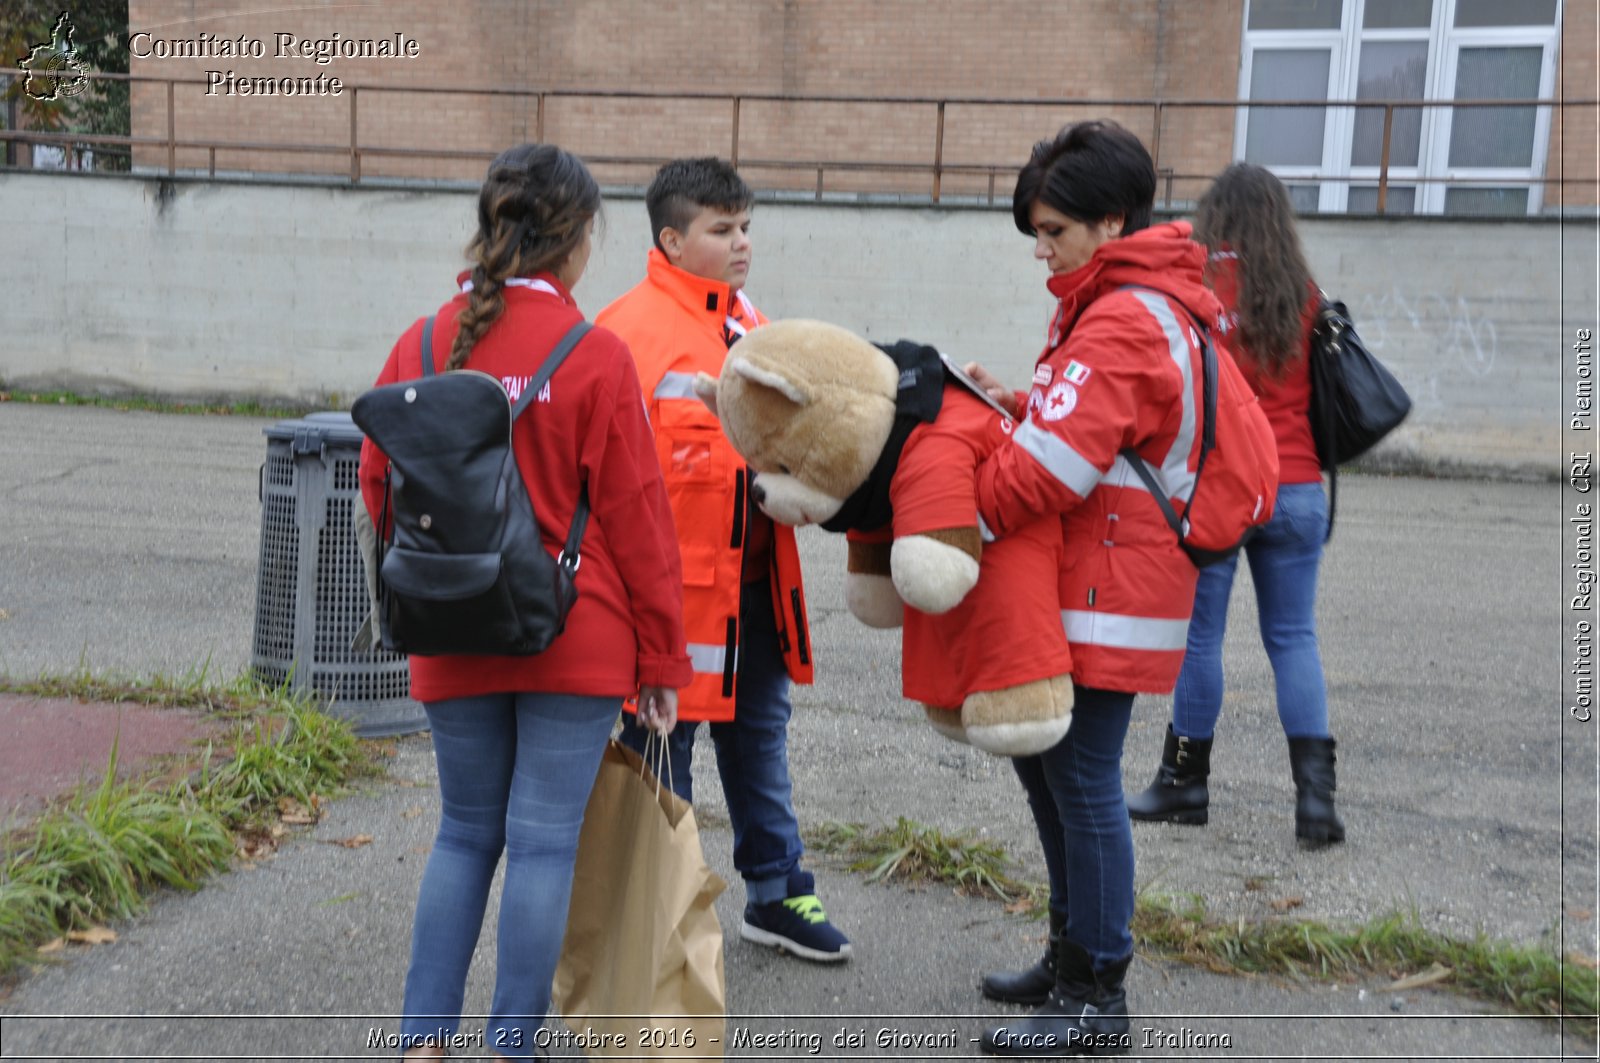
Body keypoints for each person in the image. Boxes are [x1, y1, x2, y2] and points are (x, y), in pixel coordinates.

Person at [356, 143, 693, 1060]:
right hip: (571, 637)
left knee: (463, 835)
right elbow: (637, 523)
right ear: (579, 239)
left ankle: (422, 1040)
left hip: (450, 628)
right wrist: (665, 662)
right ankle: (512, 1045)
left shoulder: (421, 342)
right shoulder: (593, 356)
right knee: (543, 845)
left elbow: (377, 487)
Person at [964, 120, 1226, 1056]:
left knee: (1078, 778)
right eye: (1036, 233)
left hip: (1107, 587)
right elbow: (1099, 432)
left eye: (1054, 233)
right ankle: (1070, 953)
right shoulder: (1129, 301)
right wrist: (1025, 405)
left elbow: (1053, 473)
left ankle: (1096, 993)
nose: (1042, 251)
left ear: (1110, 222)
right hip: (1106, 582)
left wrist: (961, 517)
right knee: (1049, 769)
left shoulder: (1120, 315)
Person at [595, 156, 851, 963]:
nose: (742, 243)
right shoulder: (626, 335)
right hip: (667, 605)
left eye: (746, 227)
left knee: (759, 742)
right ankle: (658, 918)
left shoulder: (750, 323)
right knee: (663, 758)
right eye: (721, 229)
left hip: (757, 592)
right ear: (672, 238)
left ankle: (777, 892)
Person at [1126, 161, 1344, 847]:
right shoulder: (1304, 293)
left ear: (1215, 217)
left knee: (1201, 637)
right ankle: (1316, 803)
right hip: (1300, 489)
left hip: (1225, 490)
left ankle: (1185, 783)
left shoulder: (1201, 292)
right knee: (1293, 637)